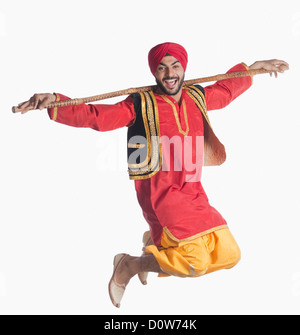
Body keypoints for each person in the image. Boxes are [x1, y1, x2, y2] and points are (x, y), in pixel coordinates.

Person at [17, 42, 289, 308]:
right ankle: (131, 265)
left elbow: (226, 89)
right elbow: (96, 116)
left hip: (194, 191)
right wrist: (55, 102)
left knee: (231, 255)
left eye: (175, 66)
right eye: (161, 68)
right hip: (161, 194)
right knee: (195, 264)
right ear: (154, 72)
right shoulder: (140, 104)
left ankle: (158, 242)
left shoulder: (197, 97)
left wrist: (253, 68)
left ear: (184, 67)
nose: (170, 74)